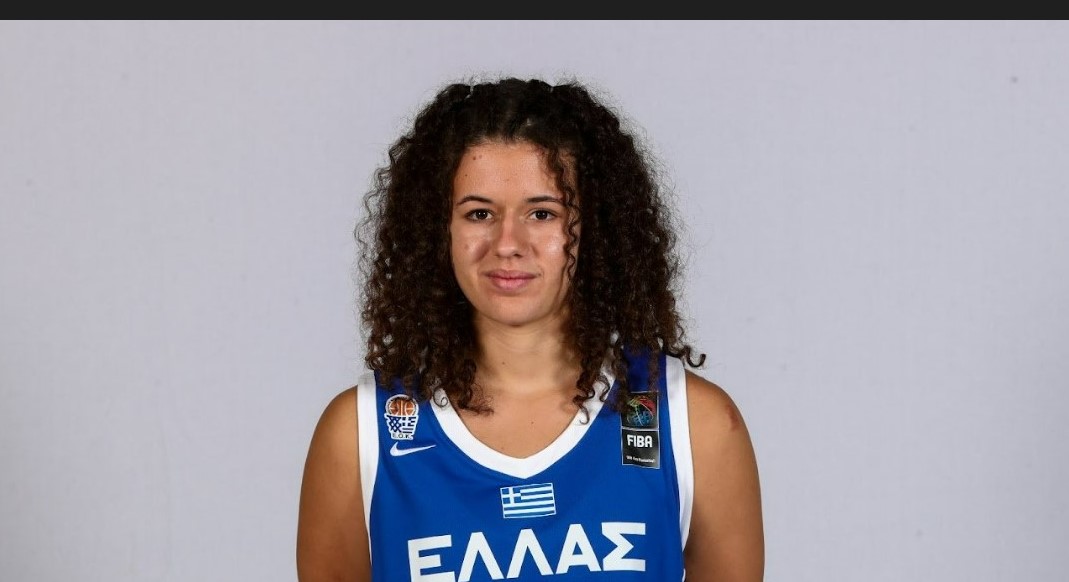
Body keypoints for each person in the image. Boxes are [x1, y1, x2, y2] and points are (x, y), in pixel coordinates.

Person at [297, 77, 763, 581]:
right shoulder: (361, 434)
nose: (507, 243)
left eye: (542, 213)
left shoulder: (694, 424)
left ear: (594, 228)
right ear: (439, 230)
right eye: (479, 213)